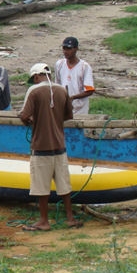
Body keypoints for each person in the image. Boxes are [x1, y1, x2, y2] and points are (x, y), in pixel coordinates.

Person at [18, 62, 81, 231]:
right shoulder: (62, 90)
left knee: (41, 186)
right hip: (59, 144)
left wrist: (29, 120)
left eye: (34, 79)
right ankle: (70, 217)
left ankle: (44, 221)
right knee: (64, 185)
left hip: (41, 146)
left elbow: (24, 115)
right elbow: (68, 115)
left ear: (37, 76)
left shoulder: (34, 91)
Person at [54, 36, 95, 116]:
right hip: (63, 107)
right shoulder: (59, 64)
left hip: (80, 109)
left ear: (76, 49)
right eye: (64, 48)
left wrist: (72, 97)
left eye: (69, 49)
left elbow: (90, 90)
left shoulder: (84, 67)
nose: (65, 51)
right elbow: (57, 85)